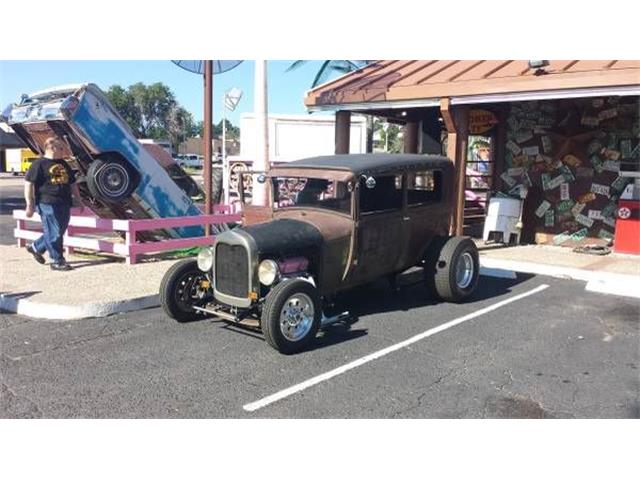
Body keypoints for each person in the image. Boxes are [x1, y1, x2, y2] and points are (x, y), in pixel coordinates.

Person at [24, 136, 80, 271]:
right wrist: (30, 204)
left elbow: (72, 183)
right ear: (52, 148)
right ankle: (57, 260)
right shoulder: (39, 164)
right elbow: (28, 184)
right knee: (54, 232)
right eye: (61, 148)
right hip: (47, 202)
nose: (64, 150)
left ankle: (36, 247)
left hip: (65, 202)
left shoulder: (64, 164)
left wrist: (79, 199)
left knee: (58, 231)